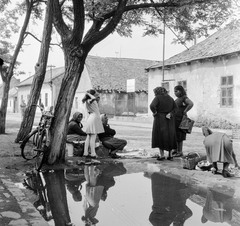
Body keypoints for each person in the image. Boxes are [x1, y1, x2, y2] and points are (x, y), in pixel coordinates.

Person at [150, 86, 177, 161]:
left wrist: (155, 112)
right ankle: (170, 155)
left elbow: (152, 106)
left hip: (160, 118)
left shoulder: (157, 98)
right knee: (170, 136)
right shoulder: (170, 98)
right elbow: (175, 108)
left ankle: (162, 155)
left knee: (160, 136)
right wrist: (170, 113)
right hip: (169, 119)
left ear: (156, 92)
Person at [82, 89, 104, 158]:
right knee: (93, 137)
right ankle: (93, 153)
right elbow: (93, 98)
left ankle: (85, 153)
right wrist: (87, 93)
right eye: (95, 94)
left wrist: (88, 94)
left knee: (89, 137)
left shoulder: (89, 101)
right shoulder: (89, 100)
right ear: (92, 95)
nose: (96, 96)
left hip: (92, 118)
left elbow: (94, 98)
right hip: (93, 118)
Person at [173, 85, 194, 157]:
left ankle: (179, 151)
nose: (175, 93)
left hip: (180, 119)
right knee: (175, 135)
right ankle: (175, 150)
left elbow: (191, 104)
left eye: (176, 91)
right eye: (174, 91)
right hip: (175, 119)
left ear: (181, 91)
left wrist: (185, 111)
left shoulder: (184, 98)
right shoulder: (178, 99)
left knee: (180, 136)